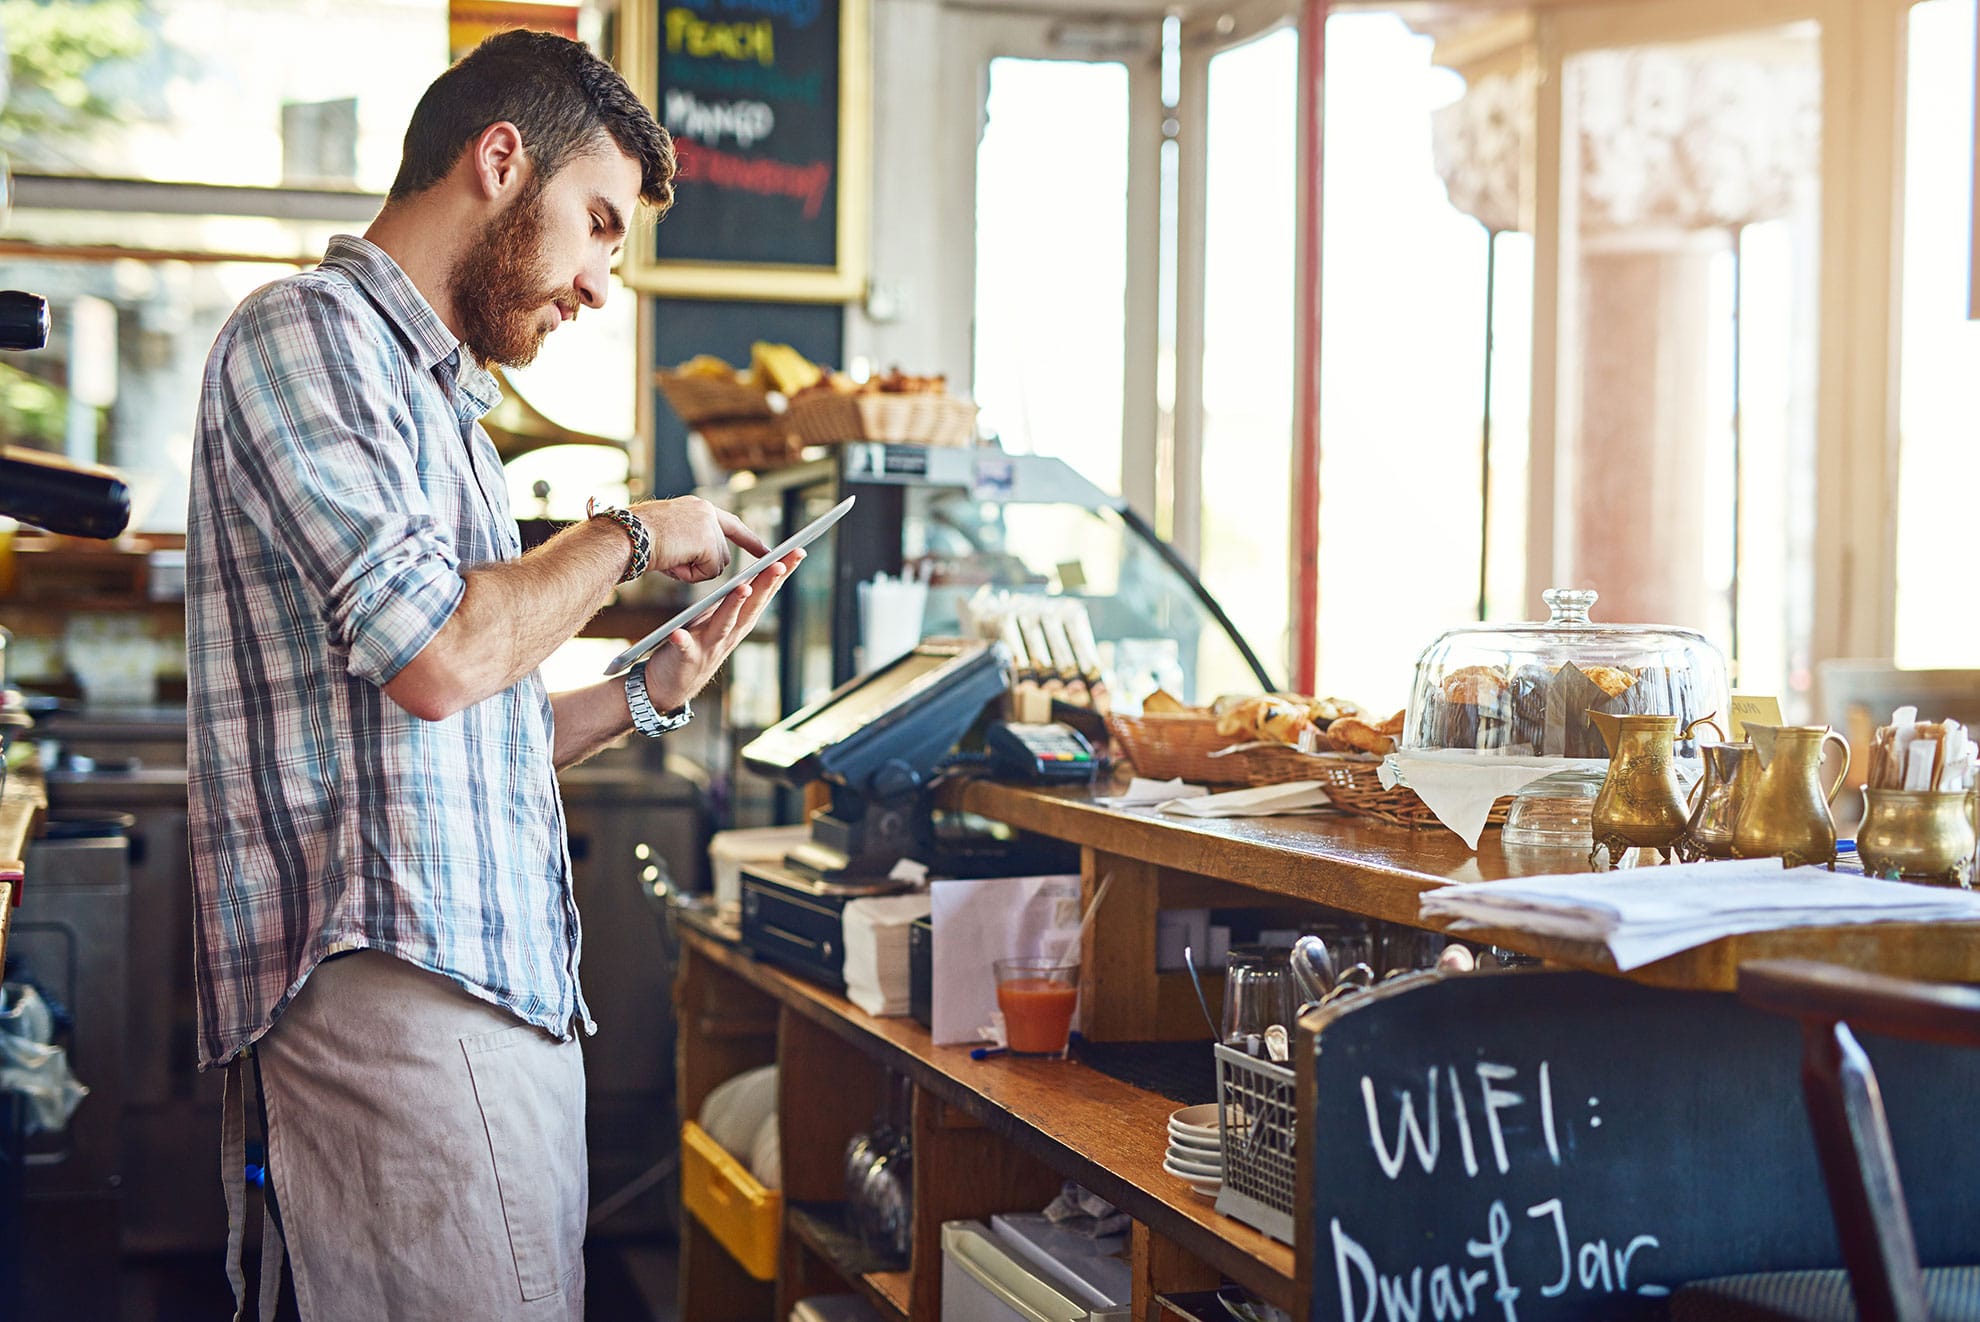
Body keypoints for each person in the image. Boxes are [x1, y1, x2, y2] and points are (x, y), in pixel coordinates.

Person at [184, 30, 790, 1321]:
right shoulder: (309, 334)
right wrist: (627, 534)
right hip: (407, 996)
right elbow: (443, 654)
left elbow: (462, 723)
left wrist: (648, 689)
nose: (594, 285)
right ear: (501, 160)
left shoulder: (440, 403)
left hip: (475, 997)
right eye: (596, 225)